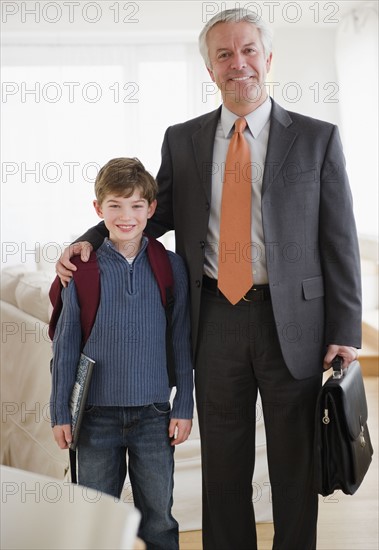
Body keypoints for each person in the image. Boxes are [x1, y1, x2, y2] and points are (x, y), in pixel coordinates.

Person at [56, 9, 362, 550]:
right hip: (215, 317)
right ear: (210, 68)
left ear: (268, 59)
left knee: (296, 461)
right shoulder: (185, 140)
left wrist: (344, 329)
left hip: (295, 322)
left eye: (248, 51)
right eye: (223, 54)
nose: (237, 63)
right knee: (224, 463)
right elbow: (155, 211)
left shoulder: (318, 139)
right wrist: (91, 239)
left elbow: (339, 241)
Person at [50, 157, 194, 550]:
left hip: (153, 415)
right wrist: (60, 412)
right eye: (114, 205)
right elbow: (65, 347)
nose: (125, 215)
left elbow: (180, 337)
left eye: (135, 205)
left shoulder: (171, 266)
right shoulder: (82, 269)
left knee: (159, 519)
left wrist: (184, 404)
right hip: (94, 419)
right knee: (95, 520)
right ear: (98, 210)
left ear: (151, 209)